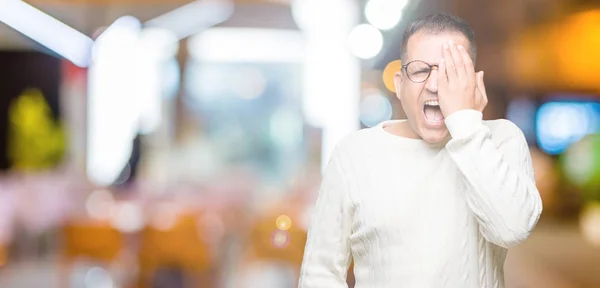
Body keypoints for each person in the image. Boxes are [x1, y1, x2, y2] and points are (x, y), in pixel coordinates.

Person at [297, 13, 543, 288]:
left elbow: (511, 229)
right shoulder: (354, 154)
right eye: (421, 70)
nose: (436, 85)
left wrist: (465, 124)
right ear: (399, 85)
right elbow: (319, 273)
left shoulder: (502, 139)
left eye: (452, 71)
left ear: (473, 82)